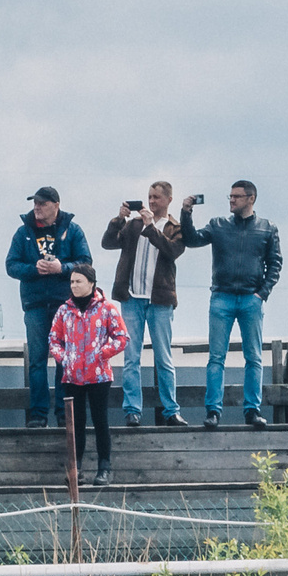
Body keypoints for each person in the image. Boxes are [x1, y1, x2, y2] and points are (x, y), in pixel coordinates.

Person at [180, 180, 283, 428]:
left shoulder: (267, 229)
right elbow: (192, 240)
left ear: (251, 199)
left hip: (251, 299)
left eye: (237, 197)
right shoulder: (218, 225)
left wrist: (262, 293)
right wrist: (186, 212)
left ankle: (252, 410)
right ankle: (213, 411)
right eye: (230, 196)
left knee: (254, 357)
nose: (231, 200)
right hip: (222, 297)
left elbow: (275, 264)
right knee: (216, 358)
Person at [102, 181, 187, 427]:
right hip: (132, 298)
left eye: (156, 198)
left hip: (160, 300)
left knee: (164, 358)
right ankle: (132, 410)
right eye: (149, 197)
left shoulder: (174, 228)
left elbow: (172, 251)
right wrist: (119, 220)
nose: (151, 202)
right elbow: (108, 243)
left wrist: (151, 227)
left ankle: (170, 410)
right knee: (131, 357)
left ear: (169, 199)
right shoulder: (133, 225)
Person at [3, 187, 90, 428]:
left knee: (65, 359)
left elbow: (86, 263)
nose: (37, 207)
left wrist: (62, 268)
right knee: (37, 360)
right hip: (35, 305)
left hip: (65, 305)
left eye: (42, 203)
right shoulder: (23, 233)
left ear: (56, 205)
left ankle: (64, 412)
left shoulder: (73, 230)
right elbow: (11, 265)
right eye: (35, 203)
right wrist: (34, 269)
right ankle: (38, 413)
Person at [47, 264, 129, 485]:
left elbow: (121, 337)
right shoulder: (64, 310)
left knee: (100, 420)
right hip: (73, 376)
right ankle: (76, 469)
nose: (74, 285)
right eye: (72, 282)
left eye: (78, 281)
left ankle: (104, 468)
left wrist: (103, 353)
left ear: (91, 283)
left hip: (99, 376)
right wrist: (64, 358)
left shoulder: (107, 309)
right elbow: (54, 339)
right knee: (76, 423)